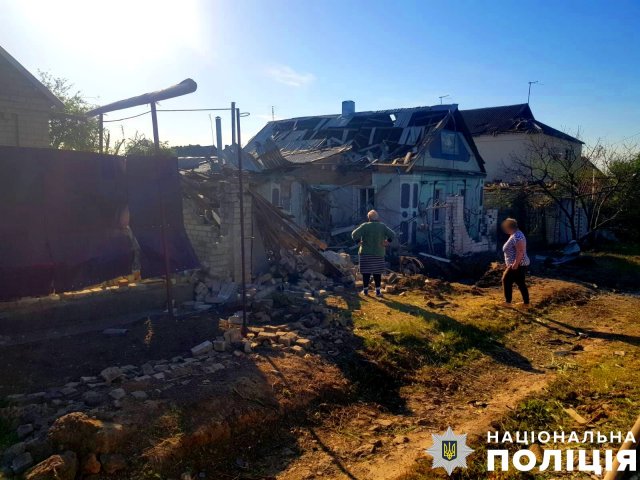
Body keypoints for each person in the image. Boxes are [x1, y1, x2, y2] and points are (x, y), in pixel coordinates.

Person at [352, 210, 395, 297]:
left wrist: (358, 242)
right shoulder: (382, 226)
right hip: (378, 253)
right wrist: (387, 241)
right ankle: (378, 291)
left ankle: (365, 291)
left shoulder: (365, 226)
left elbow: (354, 234)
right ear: (377, 217)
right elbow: (392, 234)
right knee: (377, 273)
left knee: (366, 273)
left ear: (368, 218)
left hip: (365, 253)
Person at [501, 218, 531, 308]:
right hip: (518, 264)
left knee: (506, 280)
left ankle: (508, 302)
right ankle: (526, 303)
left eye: (505, 227)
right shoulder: (515, 234)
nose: (504, 229)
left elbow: (520, 251)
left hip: (518, 264)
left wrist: (515, 264)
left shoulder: (517, 236)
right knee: (520, 282)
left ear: (509, 227)